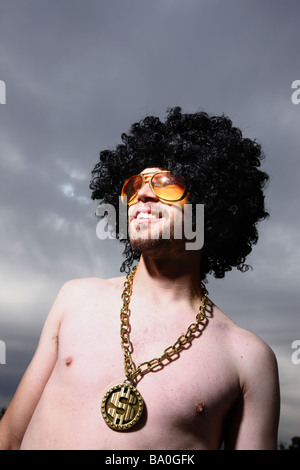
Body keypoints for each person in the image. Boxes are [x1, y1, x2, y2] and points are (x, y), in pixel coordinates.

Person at [0, 107, 280, 450]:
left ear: (212, 212)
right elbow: (9, 437)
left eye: (165, 184)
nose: (142, 195)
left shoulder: (248, 359)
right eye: (135, 185)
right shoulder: (74, 298)